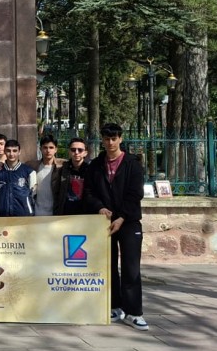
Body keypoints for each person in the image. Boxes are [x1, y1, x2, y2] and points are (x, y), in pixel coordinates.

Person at [83, 123, 147, 331]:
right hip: (104, 222)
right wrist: (100, 207)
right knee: (108, 266)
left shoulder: (132, 164)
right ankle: (115, 306)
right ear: (102, 140)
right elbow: (88, 192)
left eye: (114, 138)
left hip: (128, 222)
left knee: (131, 268)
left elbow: (135, 194)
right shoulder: (95, 165)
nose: (110, 142)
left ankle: (134, 312)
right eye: (106, 138)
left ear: (120, 139)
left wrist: (121, 217)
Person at [0, 139, 36, 217]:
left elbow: (33, 194)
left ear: (19, 152)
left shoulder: (29, 172)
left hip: (24, 215)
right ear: (4, 151)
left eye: (15, 151)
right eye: (8, 151)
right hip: (3, 216)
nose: (11, 154)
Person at [28, 135, 65, 216]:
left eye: (51, 147)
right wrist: (1, 164)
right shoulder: (32, 166)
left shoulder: (62, 167)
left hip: (55, 213)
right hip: (37, 212)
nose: (48, 150)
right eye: (45, 147)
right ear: (40, 149)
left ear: (56, 149)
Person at [54, 138, 91, 216]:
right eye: (73, 150)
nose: (76, 152)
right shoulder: (63, 170)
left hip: (84, 214)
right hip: (65, 214)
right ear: (69, 152)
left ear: (85, 153)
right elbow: (57, 192)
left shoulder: (91, 171)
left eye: (80, 150)